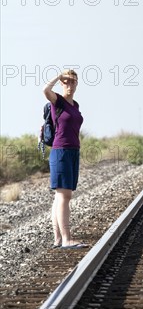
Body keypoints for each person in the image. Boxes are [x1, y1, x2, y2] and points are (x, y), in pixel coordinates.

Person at [43, 69, 88, 249]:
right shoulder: (57, 100)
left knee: (60, 196)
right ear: (62, 83)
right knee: (64, 195)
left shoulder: (75, 105)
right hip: (60, 150)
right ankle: (67, 239)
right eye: (66, 81)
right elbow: (45, 90)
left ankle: (58, 239)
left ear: (77, 84)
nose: (69, 85)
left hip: (72, 151)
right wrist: (58, 77)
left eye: (73, 81)